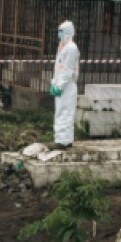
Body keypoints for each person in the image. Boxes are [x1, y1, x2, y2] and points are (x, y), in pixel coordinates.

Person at [50, 20, 79, 149]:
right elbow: (59, 68)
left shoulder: (71, 48)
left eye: (61, 31)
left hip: (67, 86)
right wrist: (54, 82)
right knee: (61, 112)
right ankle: (64, 139)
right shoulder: (63, 46)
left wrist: (59, 85)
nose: (59, 34)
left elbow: (68, 70)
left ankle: (63, 141)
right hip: (62, 85)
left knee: (65, 112)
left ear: (68, 32)